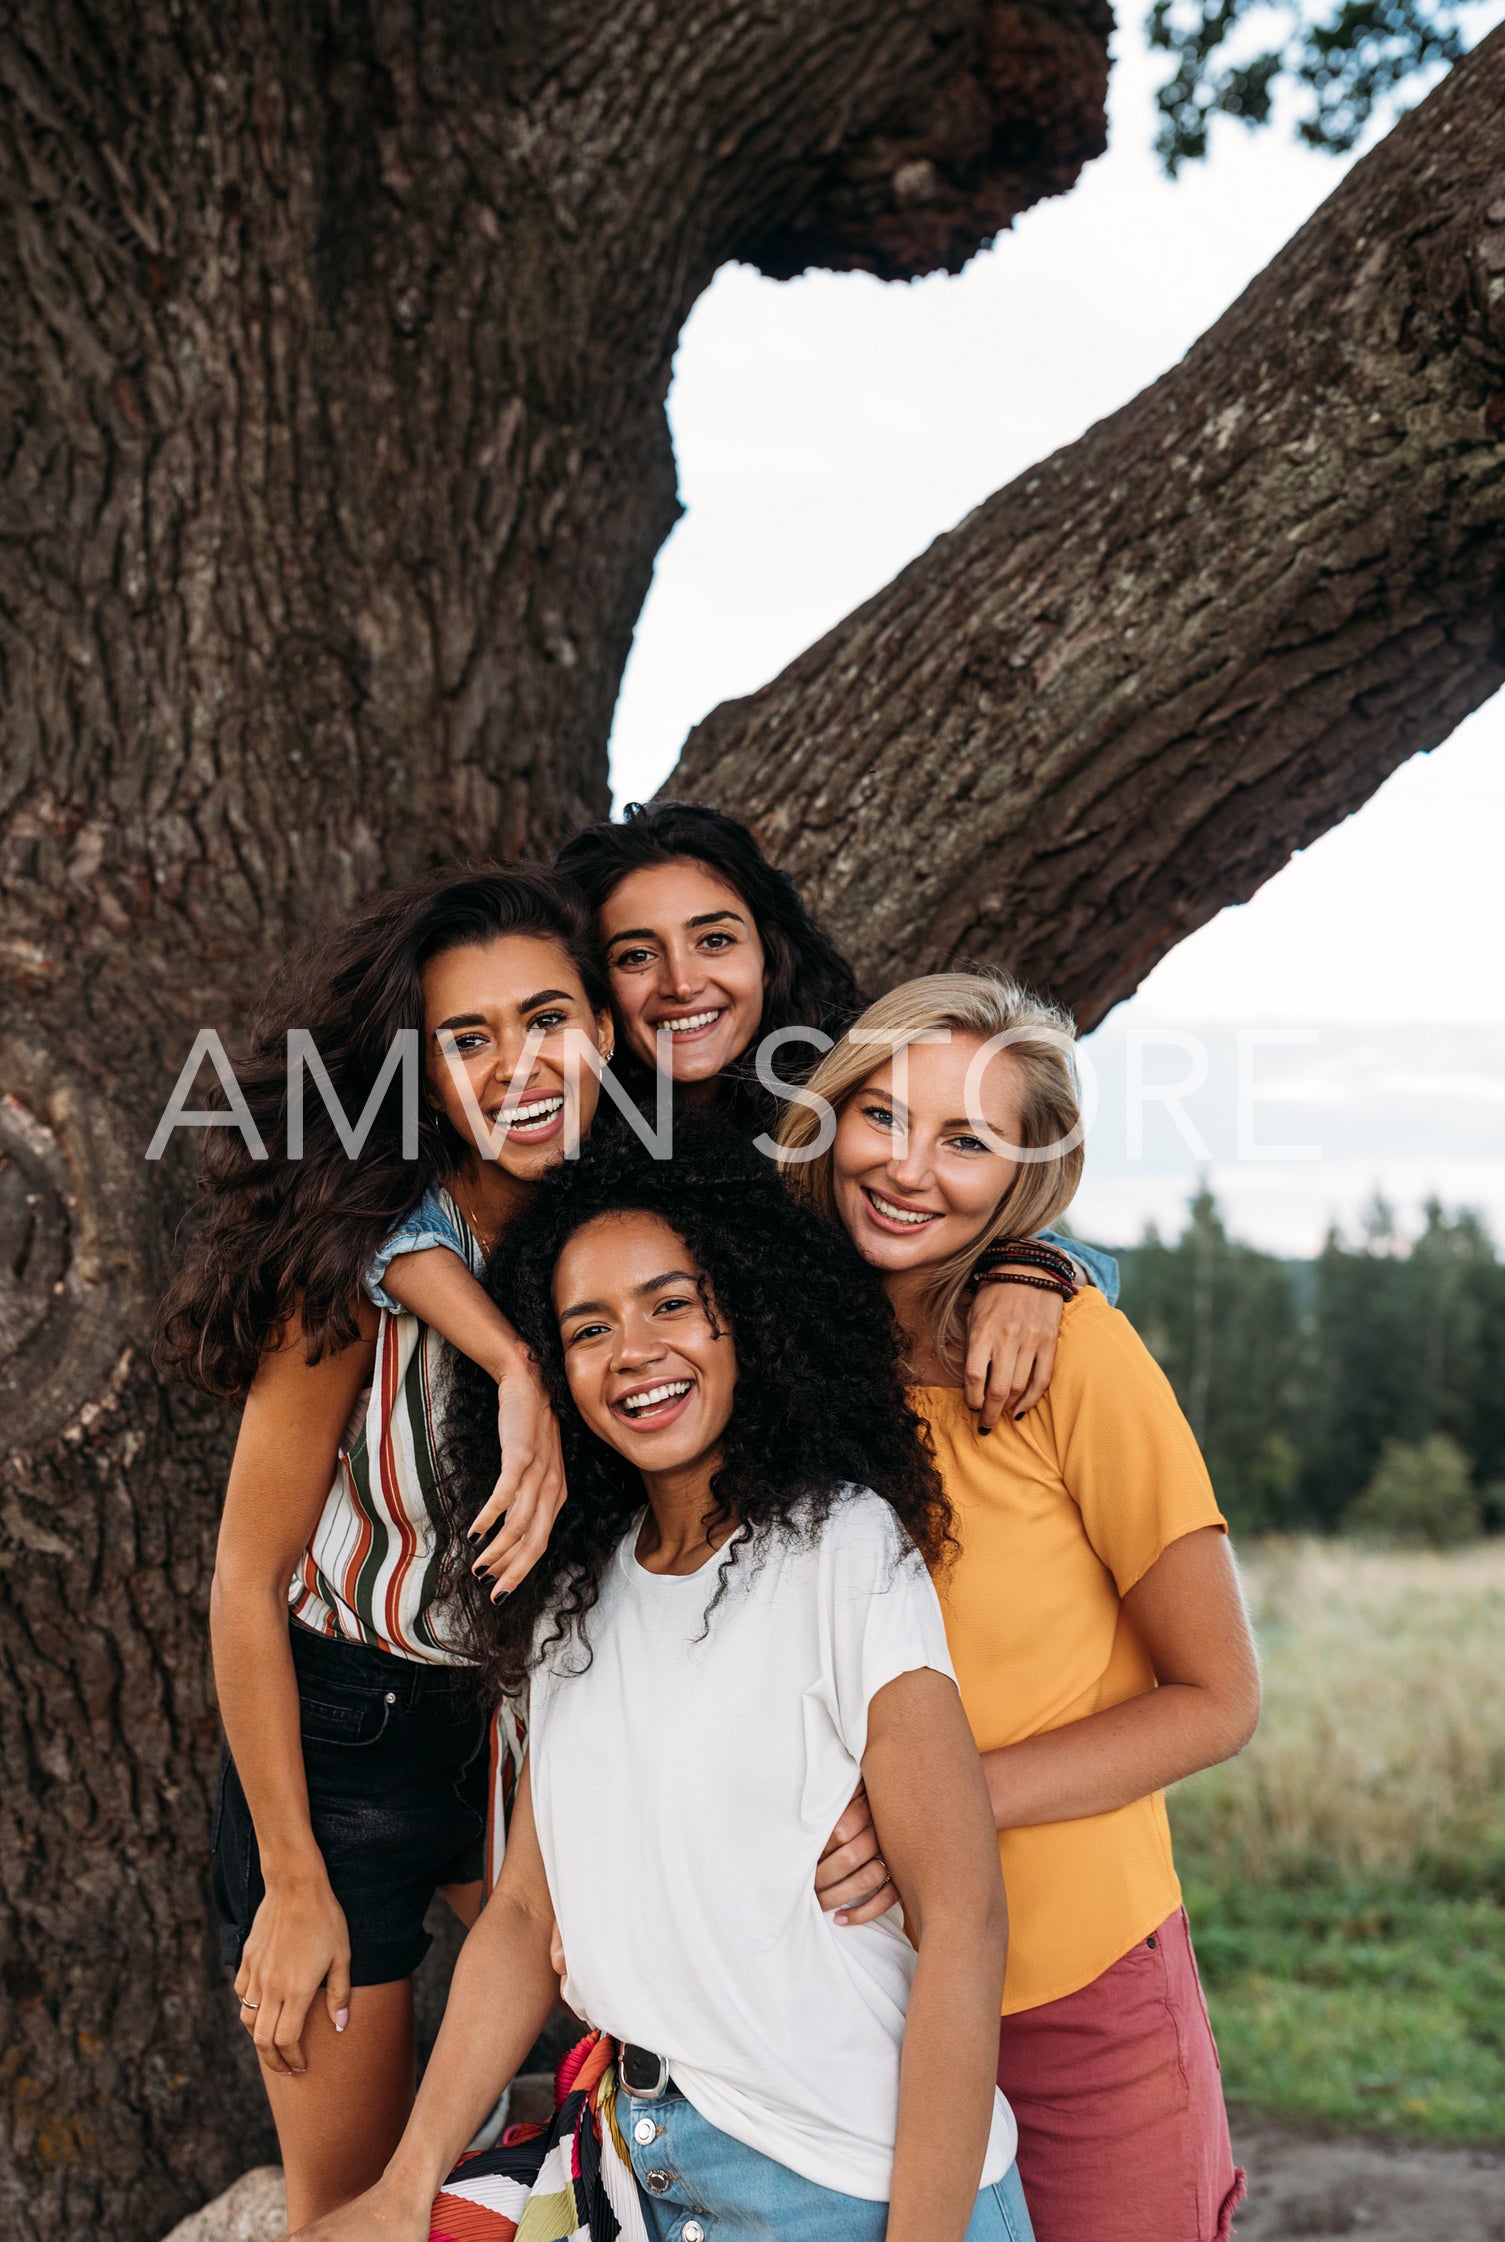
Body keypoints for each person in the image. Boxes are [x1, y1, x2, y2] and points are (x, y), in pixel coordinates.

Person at [289, 1125, 1034, 2242]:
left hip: (851, 2183)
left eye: (668, 1304)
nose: (631, 1348)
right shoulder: (572, 1596)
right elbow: (525, 1914)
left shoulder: (841, 1545)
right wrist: (404, 2185)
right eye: (587, 1328)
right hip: (650, 2177)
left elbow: (964, 1918)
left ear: (747, 1316)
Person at [154, 865, 616, 2231]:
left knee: (644, 2029)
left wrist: (1048, 1263)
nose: (518, 1064)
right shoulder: (353, 1271)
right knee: (352, 2203)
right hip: (345, 1731)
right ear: (419, 1073)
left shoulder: (627, 1227)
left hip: (532, 1730)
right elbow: (244, 1580)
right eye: (467, 1039)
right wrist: (294, 1880)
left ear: (603, 1024)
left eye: (547, 1017)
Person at [777, 971, 1261, 2242]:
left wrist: (935, 1808)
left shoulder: (1070, 1354)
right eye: (880, 1114)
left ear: (1023, 1176)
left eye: (967, 1140)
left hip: (1074, 1983)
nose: (907, 1165)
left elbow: (1215, 1699)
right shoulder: (777, 1356)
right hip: (851, 1992)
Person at [555, 798, 1115, 1425]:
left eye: (714, 940)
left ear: (767, 954)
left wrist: (1037, 1264)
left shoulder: (847, 1099)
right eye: (636, 955)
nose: (681, 982)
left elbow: (987, 1216)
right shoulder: (567, 1135)